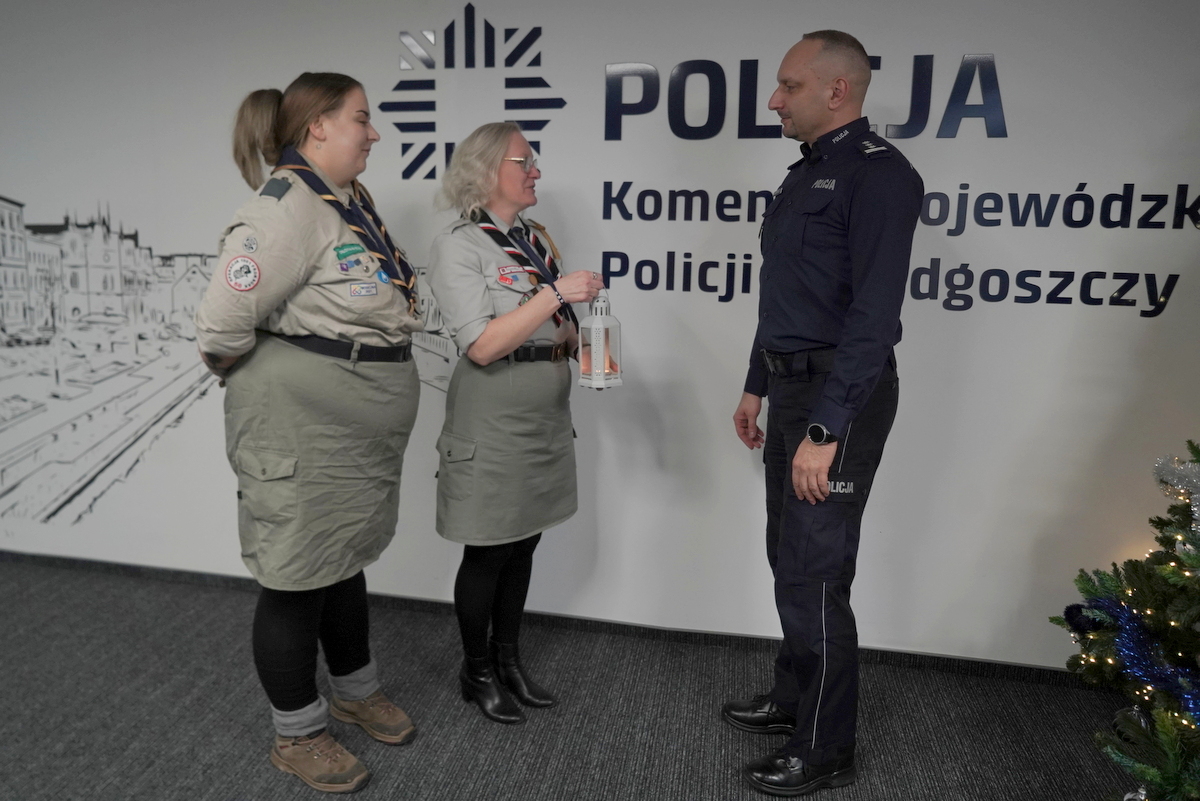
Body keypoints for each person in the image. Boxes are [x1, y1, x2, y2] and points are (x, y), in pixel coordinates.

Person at [194, 73, 423, 794]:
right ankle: (297, 734)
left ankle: (355, 691)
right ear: (318, 125)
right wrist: (282, 374)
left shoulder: (346, 201)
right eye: (362, 117)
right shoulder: (285, 209)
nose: (374, 132)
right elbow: (220, 327)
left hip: (352, 431)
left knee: (341, 559)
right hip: (301, 429)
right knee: (295, 576)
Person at [726, 31, 924, 796]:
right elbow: (786, 298)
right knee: (790, 556)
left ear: (837, 90)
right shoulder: (805, 173)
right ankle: (792, 695)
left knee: (816, 572)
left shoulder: (881, 177)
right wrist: (756, 385)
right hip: (791, 388)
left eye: (789, 86)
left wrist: (825, 428)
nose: (774, 100)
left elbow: (873, 319)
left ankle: (826, 745)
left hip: (839, 396)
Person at [426, 122, 604, 724]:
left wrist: (583, 341)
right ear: (485, 171)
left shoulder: (532, 240)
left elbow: (547, 325)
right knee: (488, 549)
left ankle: (509, 660)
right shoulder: (459, 246)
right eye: (523, 162)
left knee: (524, 541)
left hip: (544, 418)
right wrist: (556, 296)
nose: (536, 172)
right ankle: (476, 671)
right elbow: (481, 345)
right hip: (493, 419)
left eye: (533, 161)